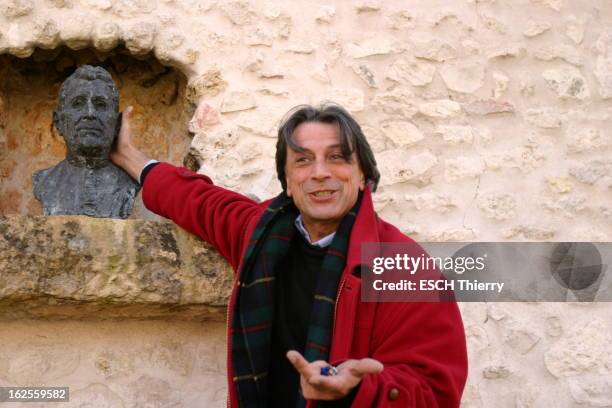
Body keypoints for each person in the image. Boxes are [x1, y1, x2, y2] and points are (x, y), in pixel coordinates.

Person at [111, 103, 468, 407]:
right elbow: (195, 200)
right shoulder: (259, 232)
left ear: (363, 176)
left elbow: (435, 392)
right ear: (286, 177)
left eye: (337, 158)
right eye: (303, 160)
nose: (320, 173)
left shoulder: (404, 267)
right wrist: (128, 155)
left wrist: (356, 389)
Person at [33, 65, 139, 219]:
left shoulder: (130, 183)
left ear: (117, 124)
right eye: (77, 104)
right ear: (58, 122)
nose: (90, 114)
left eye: (100, 105)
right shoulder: (44, 181)